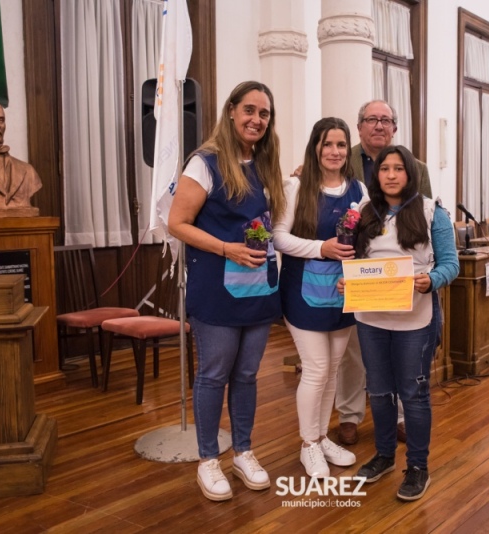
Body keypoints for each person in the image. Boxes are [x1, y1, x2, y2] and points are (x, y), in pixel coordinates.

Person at [168, 81, 286, 501]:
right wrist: (225, 248)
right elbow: (176, 223)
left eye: (264, 113)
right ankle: (207, 460)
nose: (257, 119)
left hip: (258, 290)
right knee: (214, 374)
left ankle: (244, 451)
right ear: (231, 111)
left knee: (248, 375)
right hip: (216, 289)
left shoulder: (265, 164)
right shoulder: (205, 162)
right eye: (249, 110)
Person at [338, 144, 459, 501]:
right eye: (384, 168)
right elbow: (357, 260)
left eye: (398, 169)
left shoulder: (431, 212)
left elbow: (450, 264)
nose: (390, 175)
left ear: (411, 174)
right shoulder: (364, 212)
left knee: (414, 394)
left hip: (415, 318)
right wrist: (347, 280)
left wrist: (432, 280)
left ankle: (418, 465)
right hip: (371, 317)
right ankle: (385, 456)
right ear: (376, 175)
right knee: (378, 391)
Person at [273, 117, 367, 477]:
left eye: (341, 145)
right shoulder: (296, 186)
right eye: (327, 144)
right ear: (315, 147)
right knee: (315, 369)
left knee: (332, 371)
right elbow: (278, 236)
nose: (335, 151)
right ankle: (308, 444)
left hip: (344, 293)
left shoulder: (359, 190)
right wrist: (321, 248)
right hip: (302, 292)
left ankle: (322, 435)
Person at [336, 100, 432, 446]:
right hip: (358, 272)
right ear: (359, 126)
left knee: (400, 358)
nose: (379, 125)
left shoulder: (416, 166)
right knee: (354, 351)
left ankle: (402, 419)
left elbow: (425, 220)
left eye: (386, 120)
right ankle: (349, 415)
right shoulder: (342, 160)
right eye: (371, 120)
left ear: (395, 127)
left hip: (402, 280)